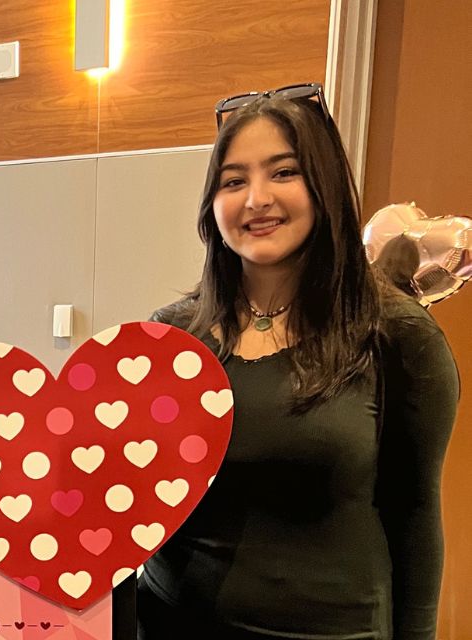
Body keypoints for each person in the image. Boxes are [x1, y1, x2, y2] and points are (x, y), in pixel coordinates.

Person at [140, 83, 459, 639]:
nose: (256, 199)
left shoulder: (398, 332)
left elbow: (416, 519)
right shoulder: (171, 335)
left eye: (283, 172)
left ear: (325, 185)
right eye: (233, 181)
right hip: (171, 624)